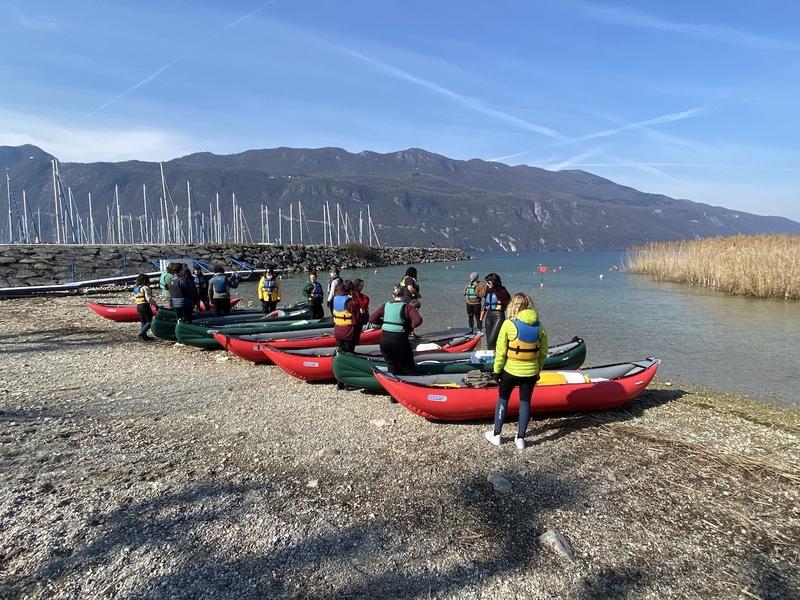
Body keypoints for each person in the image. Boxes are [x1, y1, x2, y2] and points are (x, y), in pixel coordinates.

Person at [485, 293, 548, 450]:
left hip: (510, 371)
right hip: (531, 372)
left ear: (513, 306)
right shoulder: (539, 327)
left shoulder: (508, 324)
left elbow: (500, 351)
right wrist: (538, 369)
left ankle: (497, 435)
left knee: (503, 398)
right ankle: (520, 438)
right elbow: (544, 352)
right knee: (525, 401)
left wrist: (497, 371)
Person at [369, 286, 423, 375]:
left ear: (393, 295)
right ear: (405, 296)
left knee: (392, 366)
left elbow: (372, 319)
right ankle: (408, 384)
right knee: (408, 367)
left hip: (384, 341)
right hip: (399, 341)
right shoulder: (407, 307)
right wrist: (409, 327)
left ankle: (392, 382)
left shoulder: (385, 306)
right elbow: (418, 321)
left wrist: (384, 323)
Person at [481, 273, 511, 350]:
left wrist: (511, 316)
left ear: (494, 282)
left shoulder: (502, 291)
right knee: (489, 342)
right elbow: (485, 303)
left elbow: (510, 303)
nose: (487, 284)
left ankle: (499, 355)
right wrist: (481, 317)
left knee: (492, 341)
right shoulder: (488, 290)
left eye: (489, 282)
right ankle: (492, 357)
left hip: (498, 316)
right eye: (486, 282)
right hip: (489, 316)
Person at [332, 279, 359, 353]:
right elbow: (356, 319)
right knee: (349, 354)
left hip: (337, 331)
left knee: (341, 352)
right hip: (348, 332)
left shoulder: (335, 298)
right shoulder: (350, 302)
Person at [132, 274, 156, 341]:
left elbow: (134, 298)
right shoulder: (145, 288)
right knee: (151, 321)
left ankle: (144, 336)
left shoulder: (136, 289)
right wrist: (155, 305)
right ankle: (141, 334)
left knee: (143, 321)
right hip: (145, 306)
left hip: (138, 306)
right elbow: (148, 299)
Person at [351, 278, 370, 346]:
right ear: (357, 286)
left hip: (357, 317)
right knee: (357, 334)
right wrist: (366, 298)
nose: (362, 287)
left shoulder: (356, 293)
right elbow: (363, 304)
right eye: (361, 286)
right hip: (359, 317)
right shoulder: (356, 294)